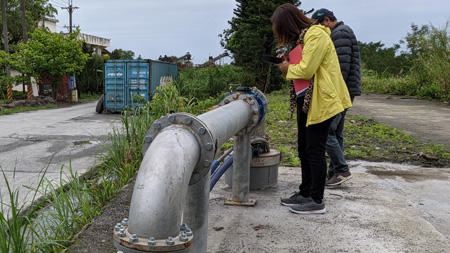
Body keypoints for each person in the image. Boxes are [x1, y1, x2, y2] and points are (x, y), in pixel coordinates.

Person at [271, 3, 352, 214]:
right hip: (307, 98)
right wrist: (287, 64)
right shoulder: (303, 39)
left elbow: (306, 69)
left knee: (314, 150)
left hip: (322, 100)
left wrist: (288, 67)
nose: (283, 36)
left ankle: (317, 200)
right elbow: (301, 67)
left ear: (289, 25)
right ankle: (305, 192)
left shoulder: (316, 34)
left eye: (282, 30)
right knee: (304, 148)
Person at [311, 9, 362, 186]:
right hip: (346, 90)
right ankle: (335, 172)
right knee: (336, 132)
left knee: (326, 131)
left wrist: (332, 91)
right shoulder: (343, 31)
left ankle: (341, 169)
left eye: (319, 25)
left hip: (341, 90)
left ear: (326, 20)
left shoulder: (340, 33)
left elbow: (340, 67)